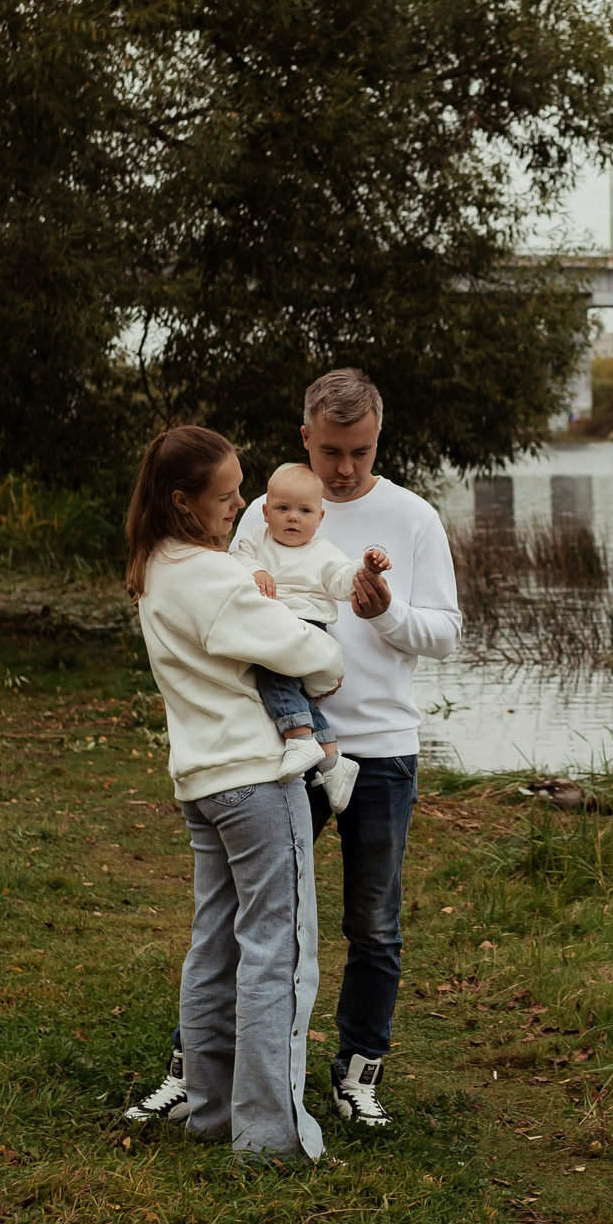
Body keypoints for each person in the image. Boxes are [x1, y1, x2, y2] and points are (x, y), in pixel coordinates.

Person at [128, 369, 460, 1131]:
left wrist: (387, 613)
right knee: (253, 920)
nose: (346, 468)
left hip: (380, 748)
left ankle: (357, 1072)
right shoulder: (263, 508)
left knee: (373, 924)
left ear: (381, 437)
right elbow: (226, 600)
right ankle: (194, 1068)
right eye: (334, 450)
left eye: (363, 450)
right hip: (280, 753)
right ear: (306, 435)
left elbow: (446, 631)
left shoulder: (411, 517)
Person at [126, 424, 346, 1159]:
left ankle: (212, 1109)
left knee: (215, 944)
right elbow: (311, 652)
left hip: (201, 782)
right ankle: (269, 1135)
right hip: (255, 780)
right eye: (227, 496)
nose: (242, 504)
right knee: (277, 951)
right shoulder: (216, 579)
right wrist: (326, 657)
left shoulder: (155, 566)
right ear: (183, 501)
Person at [235, 460, 390, 815]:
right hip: (272, 623)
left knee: (271, 676)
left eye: (304, 510)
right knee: (297, 693)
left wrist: (364, 567)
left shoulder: (322, 552)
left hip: (306, 627)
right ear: (265, 512)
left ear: (319, 518)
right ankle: (333, 761)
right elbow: (235, 560)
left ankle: (299, 738)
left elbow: (340, 578)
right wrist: (256, 570)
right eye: (283, 508)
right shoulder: (255, 543)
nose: (293, 518)